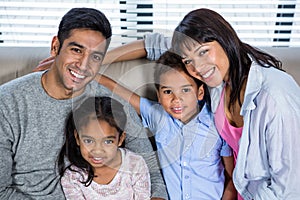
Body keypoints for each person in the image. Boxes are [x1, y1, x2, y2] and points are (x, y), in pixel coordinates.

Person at [96, 8, 300, 200]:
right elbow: (158, 46)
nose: (198, 68)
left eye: (203, 52)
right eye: (188, 60)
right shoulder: (217, 81)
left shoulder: (275, 96)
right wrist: (93, 62)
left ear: (224, 39)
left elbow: (289, 188)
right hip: (238, 188)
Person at [0, 7, 167, 200]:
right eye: (76, 50)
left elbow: (153, 173)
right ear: (55, 46)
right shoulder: (7, 103)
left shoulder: (112, 105)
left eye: (95, 57)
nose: (83, 65)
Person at [97, 50, 236, 199]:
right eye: (168, 91)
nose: (177, 99)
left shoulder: (217, 123)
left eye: (185, 90)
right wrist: (86, 71)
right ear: (159, 96)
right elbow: (118, 90)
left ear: (200, 93)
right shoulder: (157, 115)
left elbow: (232, 179)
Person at [58, 96, 151, 199]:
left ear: (120, 139)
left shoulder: (135, 165)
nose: (97, 151)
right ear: (77, 137)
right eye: (88, 141)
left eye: (108, 141)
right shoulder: (73, 178)